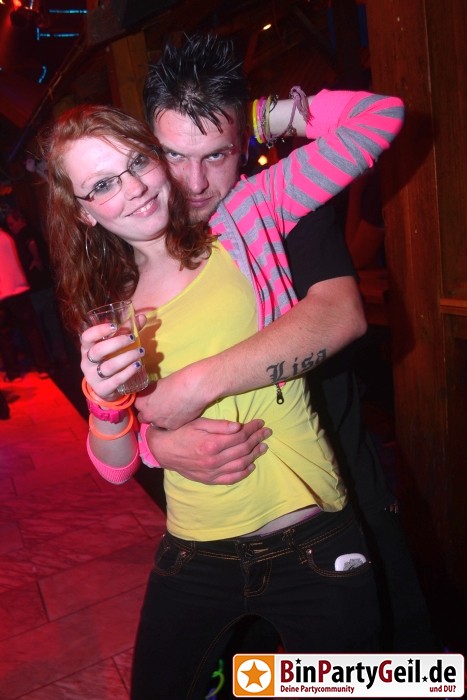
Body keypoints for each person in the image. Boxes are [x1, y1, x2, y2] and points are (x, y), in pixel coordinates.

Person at [41, 77, 403, 697]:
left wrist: (251, 117)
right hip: (194, 552)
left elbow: (379, 118)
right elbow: (116, 466)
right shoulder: (110, 309)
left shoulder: (245, 218)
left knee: (363, 687)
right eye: (101, 185)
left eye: (137, 163)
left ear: (158, 157)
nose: (132, 189)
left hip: (310, 541)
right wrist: (105, 404)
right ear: (83, 211)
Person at [141, 34, 437, 653]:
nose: (194, 181)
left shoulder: (273, 202)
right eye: (174, 154)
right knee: (249, 677)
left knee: (377, 673)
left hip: (332, 481)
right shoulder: (138, 235)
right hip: (223, 511)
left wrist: (256, 116)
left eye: (217, 154)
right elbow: (125, 393)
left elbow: (340, 315)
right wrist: (156, 443)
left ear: (242, 145)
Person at [5, 209, 69, 368]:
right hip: (45, 285)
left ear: (20, 220)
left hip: (35, 288)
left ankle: (50, 360)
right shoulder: (33, 231)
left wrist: (36, 259)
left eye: (12, 224)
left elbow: (32, 245)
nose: (11, 228)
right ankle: (61, 356)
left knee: (39, 327)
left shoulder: (23, 235)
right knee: (51, 323)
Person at [0, 226, 51, 382]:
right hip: (19, 287)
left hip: (2, 292)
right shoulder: (7, 236)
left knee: (4, 335)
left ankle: (13, 373)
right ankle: (44, 367)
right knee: (31, 331)